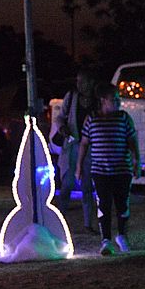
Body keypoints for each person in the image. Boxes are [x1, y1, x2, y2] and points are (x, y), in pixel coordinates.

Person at [76, 82, 138, 255]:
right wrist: (79, 166)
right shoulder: (92, 119)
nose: (117, 103)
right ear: (103, 100)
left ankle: (122, 236)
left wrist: (135, 160)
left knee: (122, 204)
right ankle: (106, 240)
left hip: (122, 169)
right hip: (100, 170)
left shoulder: (124, 118)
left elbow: (132, 141)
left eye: (118, 99)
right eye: (114, 99)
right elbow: (84, 144)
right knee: (103, 205)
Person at [51, 69, 99, 232]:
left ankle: (88, 224)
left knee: (87, 187)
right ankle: (60, 223)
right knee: (66, 186)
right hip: (72, 146)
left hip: (89, 148)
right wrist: (62, 127)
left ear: (91, 83)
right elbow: (60, 117)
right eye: (78, 81)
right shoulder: (71, 97)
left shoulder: (97, 100)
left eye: (82, 81)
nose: (79, 85)